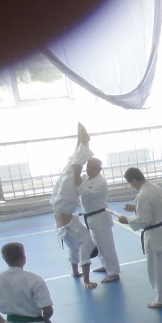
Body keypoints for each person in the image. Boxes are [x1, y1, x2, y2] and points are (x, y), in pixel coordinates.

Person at [119, 166, 162, 308]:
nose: (131, 186)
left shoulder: (143, 195)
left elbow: (145, 220)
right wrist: (136, 207)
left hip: (156, 234)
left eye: (130, 183)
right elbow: (157, 207)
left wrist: (127, 220)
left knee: (158, 268)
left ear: (134, 180)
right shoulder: (155, 187)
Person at [51, 123, 96, 289]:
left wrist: (78, 274)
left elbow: (77, 257)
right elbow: (84, 259)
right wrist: (85, 279)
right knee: (71, 170)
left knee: (70, 169)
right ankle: (83, 142)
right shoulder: (85, 241)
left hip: (62, 205)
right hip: (62, 206)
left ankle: (82, 142)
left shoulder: (76, 242)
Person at [79, 156, 120, 282]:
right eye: (88, 167)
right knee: (98, 245)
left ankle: (114, 272)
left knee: (106, 246)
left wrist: (77, 181)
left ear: (99, 169)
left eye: (92, 168)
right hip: (91, 217)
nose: (89, 170)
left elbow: (86, 193)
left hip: (100, 217)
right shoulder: (85, 177)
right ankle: (107, 266)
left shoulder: (100, 182)